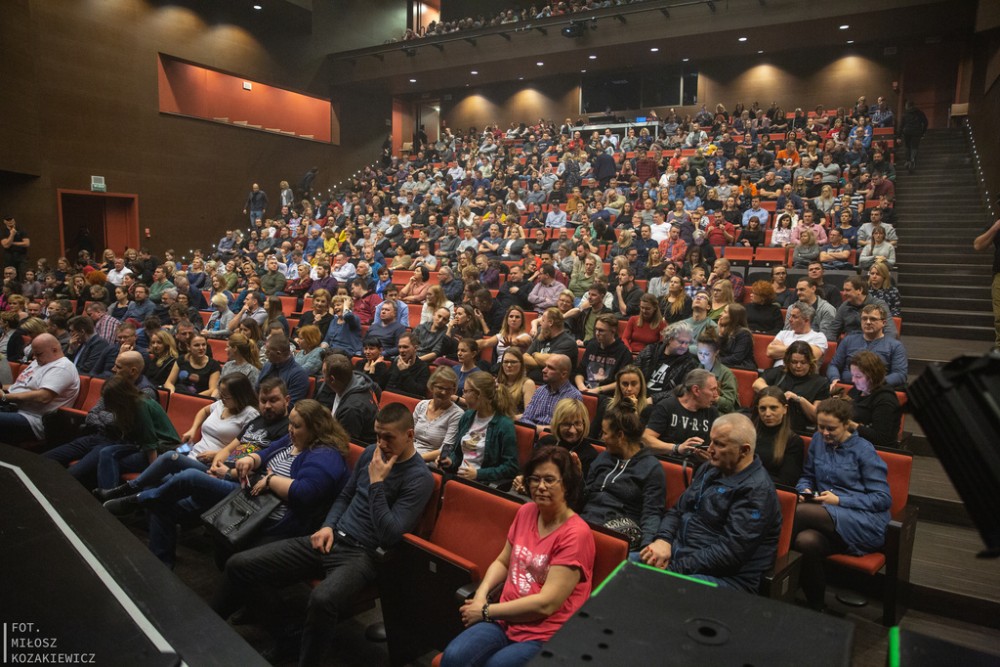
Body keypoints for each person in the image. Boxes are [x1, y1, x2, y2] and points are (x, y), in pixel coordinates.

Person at [213, 401, 434, 664]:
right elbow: (345, 496)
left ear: (410, 435)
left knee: (322, 599)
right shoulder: (371, 453)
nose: (381, 444)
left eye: (389, 438)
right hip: (331, 537)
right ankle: (279, 635)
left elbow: (390, 534)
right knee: (239, 565)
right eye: (377, 435)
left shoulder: (419, 478)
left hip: (363, 555)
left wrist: (376, 484)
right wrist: (328, 525)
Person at [440, 446, 594, 667]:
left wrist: (485, 611)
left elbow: (546, 604)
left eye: (550, 480)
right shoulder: (526, 512)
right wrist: (481, 595)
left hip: (545, 634)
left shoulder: (576, 534)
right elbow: (503, 561)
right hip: (504, 619)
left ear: (567, 485)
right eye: (535, 479)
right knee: (453, 657)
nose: (541, 486)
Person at [641, 413, 782, 592]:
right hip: (681, 557)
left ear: (744, 450)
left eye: (720, 444)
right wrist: (663, 540)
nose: (710, 449)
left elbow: (728, 554)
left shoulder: (757, 491)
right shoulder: (711, 468)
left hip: (726, 578)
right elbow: (677, 510)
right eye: (711, 441)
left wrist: (673, 569)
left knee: (651, 587)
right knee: (623, 567)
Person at [794, 397, 891, 609]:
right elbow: (807, 476)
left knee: (798, 513)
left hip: (864, 521)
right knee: (805, 541)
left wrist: (839, 500)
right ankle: (816, 606)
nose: (825, 433)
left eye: (831, 428)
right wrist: (805, 490)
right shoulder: (818, 440)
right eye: (821, 427)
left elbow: (882, 498)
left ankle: (764, 573)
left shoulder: (864, 450)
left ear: (846, 425)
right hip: (826, 517)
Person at [580, 403, 665, 554]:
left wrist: (646, 547)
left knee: (582, 539)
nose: (602, 438)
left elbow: (652, 512)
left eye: (605, 433)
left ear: (620, 435)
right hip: (589, 517)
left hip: (621, 526)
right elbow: (586, 494)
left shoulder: (651, 467)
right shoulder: (604, 457)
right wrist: (576, 477)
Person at [0, 333, 81, 443]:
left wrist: (5, 397)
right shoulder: (39, 362)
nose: (34, 357)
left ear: (54, 350)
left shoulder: (63, 367)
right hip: (13, 408)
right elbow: (20, 387)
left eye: (38, 354)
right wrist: (3, 389)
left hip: (33, 419)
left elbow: (43, 397)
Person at [753, 340, 830, 434]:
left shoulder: (820, 382)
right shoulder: (779, 372)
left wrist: (799, 399)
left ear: (810, 362)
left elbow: (817, 416)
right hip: (768, 423)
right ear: (788, 361)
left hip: (795, 428)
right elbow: (757, 384)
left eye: (803, 362)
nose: (798, 366)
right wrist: (776, 395)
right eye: (794, 362)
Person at [827, 303, 908, 389]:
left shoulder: (895, 346)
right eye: (864, 318)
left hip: (877, 389)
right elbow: (833, 365)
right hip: (848, 386)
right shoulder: (848, 340)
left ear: (883, 323)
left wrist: (874, 383)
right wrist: (835, 379)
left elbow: (900, 374)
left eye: (873, 319)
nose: (868, 322)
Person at [642, 369, 720, 457]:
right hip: (669, 461)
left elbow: (717, 446)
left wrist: (710, 457)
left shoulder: (712, 412)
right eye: (713, 389)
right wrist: (676, 448)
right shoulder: (667, 407)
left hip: (698, 464)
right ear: (696, 390)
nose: (716, 395)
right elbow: (646, 439)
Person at [316, 353, 380, 444]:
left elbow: (343, 444)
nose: (321, 377)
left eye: (323, 373)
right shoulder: (358, 383)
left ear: (332, 379)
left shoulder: (351, 409)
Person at [750, 386, 805, 487]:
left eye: (773, 408)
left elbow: (787, 482)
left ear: (785, 409)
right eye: (762, 408)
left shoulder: (793, 441)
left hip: (768, 490)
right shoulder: (748, 434)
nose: (767, 414)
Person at [635, 321, 699, 404]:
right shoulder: (650, 350)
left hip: (663, 404)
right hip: (638, 394)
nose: (684, 346)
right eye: (681, 342)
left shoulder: (689, 363)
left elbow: (683, 390)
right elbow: (634, 372)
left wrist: (653, 399)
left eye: (687, 343)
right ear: (670, 339)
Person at [412, 367, 464, 462]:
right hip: (410, 453)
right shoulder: (422, 405)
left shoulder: (457, 414)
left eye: (448, 389)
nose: (444, 392)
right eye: (440, 388)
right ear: (432, 386)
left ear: (454, 391)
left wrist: (414, 459)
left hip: (430, 461)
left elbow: (445, 449)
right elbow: (408, 435)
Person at [576, 314, 633, 395]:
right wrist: (581, 386)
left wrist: (598, 390)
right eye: (596, 329)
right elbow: (580, 372)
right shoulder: (592, 346)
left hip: (606, 394)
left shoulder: (623, 352)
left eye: (601, 330)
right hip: (585, 389)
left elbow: (622, 381)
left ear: (613, 331)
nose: (597, 333)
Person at [520, 354, 583, 429]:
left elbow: (564, 428)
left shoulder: (574, 396)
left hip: (553, 436)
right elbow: (525, 418)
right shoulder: (540, 390)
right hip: (532, 433)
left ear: (563, 374)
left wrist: (535, 429)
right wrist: (535, 429)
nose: (544, 370)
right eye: (545, 366)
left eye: (550, 368)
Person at [768, 301, 829, 365]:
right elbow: (770, 352)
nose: (790, 319)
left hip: (800, 370)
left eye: (794, 317)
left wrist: (782, 348)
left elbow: (813, 355)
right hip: (778, 370)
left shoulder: (818, 337)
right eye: (790, 316)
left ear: (806, 320)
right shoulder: (783, 334)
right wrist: (803, 350)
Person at [257, 333, 310, 405]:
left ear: (278, 353)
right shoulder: (267, 365)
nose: (265, 354)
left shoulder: (299, 375)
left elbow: (291, 405)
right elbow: (257, 389)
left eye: (268, 352)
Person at [695, 329, 739, 414]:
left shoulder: (726, 374)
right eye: (699, 352)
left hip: (718, 413)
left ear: (716, 352)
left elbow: (729, 405)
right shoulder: (695, 370)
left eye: (706, 354)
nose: (702, 357)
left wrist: (714, 397)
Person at [1, 215, 30, 279]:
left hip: (22, 256)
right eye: (8, 220)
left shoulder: (21, 230)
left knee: (22, 273)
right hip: (9, 256)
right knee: (10, 274)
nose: (10, 221)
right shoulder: (3, 232)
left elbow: (27, 243)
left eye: (11, 220)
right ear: (4, 222)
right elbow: (6, 245)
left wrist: (11, 243)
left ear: (14, 220)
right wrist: (12, 234)